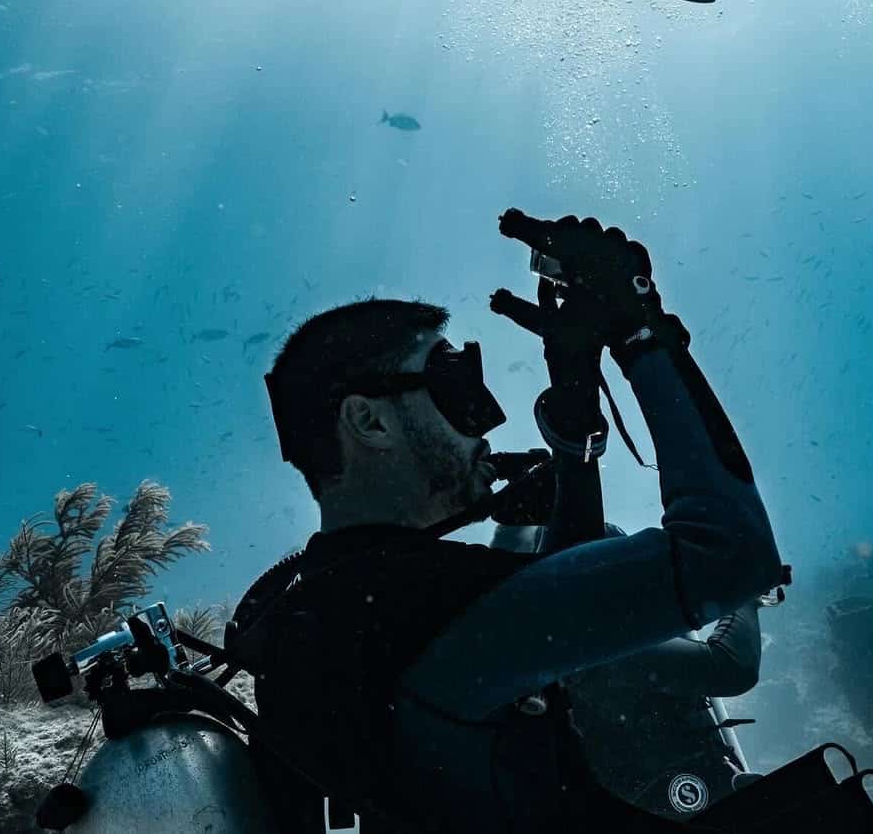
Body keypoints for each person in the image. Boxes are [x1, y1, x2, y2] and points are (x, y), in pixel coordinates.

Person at [228, 211, 786, 834]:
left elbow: (562, 647)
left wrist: (574, 445)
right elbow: (730, 553)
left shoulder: (331, 609)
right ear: (369, 422)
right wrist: (640, 330)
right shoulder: (414, 605)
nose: (485, 418)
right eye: (452, 381)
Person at [492, 519, 776, 820]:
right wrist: (747, 595)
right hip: (673, 797)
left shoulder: (559, 647)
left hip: (669, 794)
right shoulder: (593, 650)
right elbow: (729, 668)